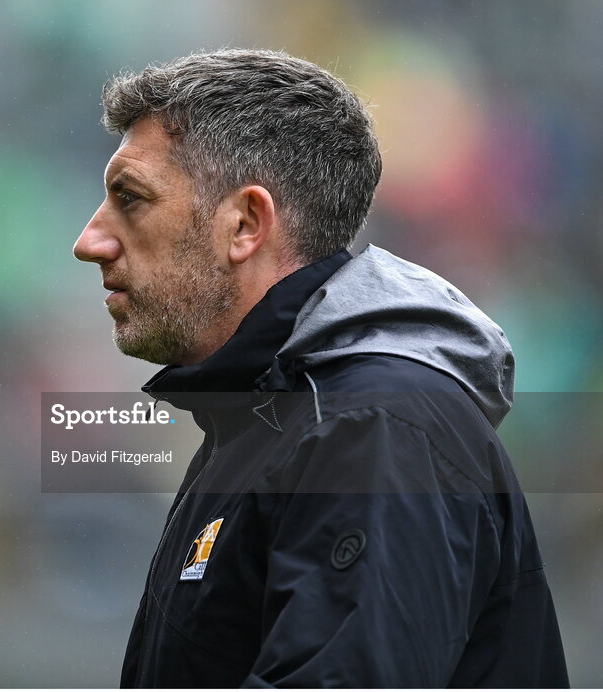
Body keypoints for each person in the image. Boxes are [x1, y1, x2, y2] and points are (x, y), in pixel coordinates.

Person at [72, 49, 569, 688]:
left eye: (130, 199)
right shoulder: (276, 416)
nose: (91, 240)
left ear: (245, 224)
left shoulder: (373, 428)